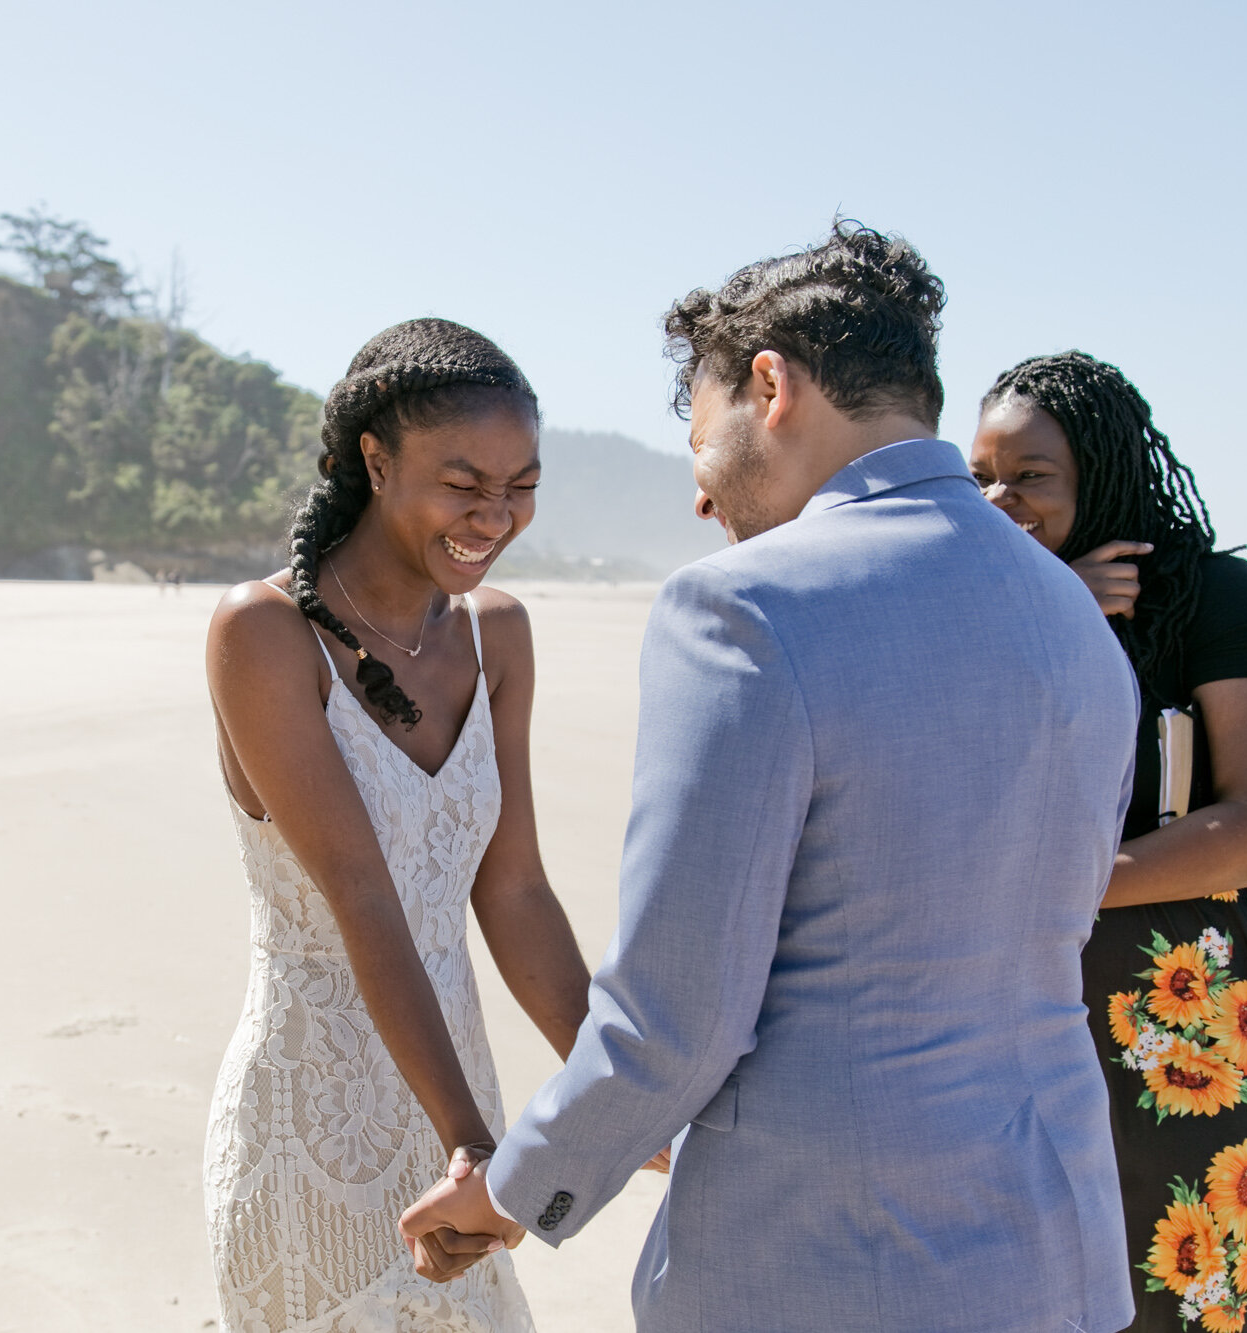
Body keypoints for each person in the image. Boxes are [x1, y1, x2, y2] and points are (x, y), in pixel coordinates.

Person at [399, 223, 1143, 1333]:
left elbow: (675, 1017)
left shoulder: (745, 607)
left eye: (703, 448)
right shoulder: (1067, 613)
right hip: (1056, 1254)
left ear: (769, 385)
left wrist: (512, 1190)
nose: (703, 502)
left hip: (828, 1263)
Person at [203, 319, 618, 1331]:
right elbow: (361, 892)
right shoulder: (260, 635)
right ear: (374, 461)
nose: (494, 514)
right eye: (462, 482)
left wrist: (615, 1083)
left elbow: (513, 889)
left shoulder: (498, 637)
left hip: (455, 1107)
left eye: (520, 485)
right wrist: (474, 1146)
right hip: (311, 1124)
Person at [970, 352, 1247, 1333]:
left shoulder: (1213, 600)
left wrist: (1064, 890)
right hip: (1001, 1033)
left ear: (1100, 472)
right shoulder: (990, 611)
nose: (999, 501)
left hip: (1191, 1042)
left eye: (1029, 476)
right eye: (979, 478)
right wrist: (1051, 616)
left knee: (1173, 1296)